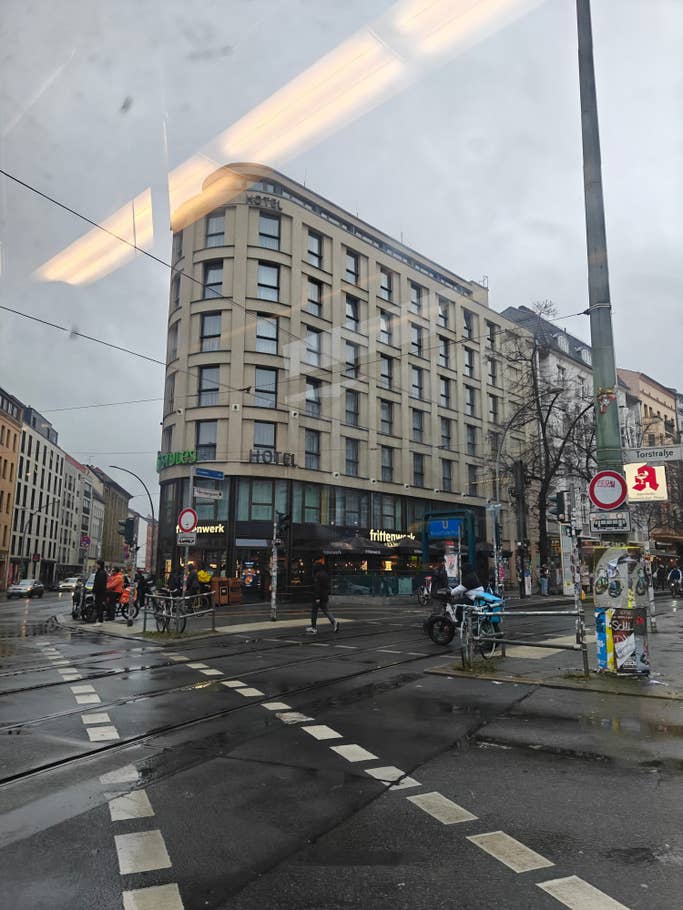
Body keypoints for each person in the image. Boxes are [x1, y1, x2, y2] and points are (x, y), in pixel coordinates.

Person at [306, 560, 339, 634]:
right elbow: (327, 586)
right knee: (326, 610)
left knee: (314, 611)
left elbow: (317, 587)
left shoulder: (317, 575)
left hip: (318, 596)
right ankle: (334, 622)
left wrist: (317, 597)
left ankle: (313, 627)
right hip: (325, 596)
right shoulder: (326, 574)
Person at [93, 559, 108, 625]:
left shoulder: (101, 573)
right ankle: (99, 620)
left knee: (99, 606)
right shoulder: (100, 572)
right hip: (100, 592)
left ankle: (100, 621)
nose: (95, 565)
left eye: (96, 564)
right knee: (99, 606)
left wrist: (95, 590)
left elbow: (99, 583)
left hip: (100, 592)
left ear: (99, 565)